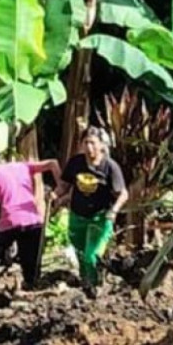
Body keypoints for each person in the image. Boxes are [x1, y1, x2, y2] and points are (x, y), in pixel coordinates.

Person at [0, 153, 62, 303]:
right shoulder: (22, 166)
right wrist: (60, 189)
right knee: (30, 269)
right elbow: (53, 162)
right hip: (34, 221)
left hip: (10, 222)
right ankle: (31, 295)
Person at [54, 126, 128, 297]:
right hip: (77, 215)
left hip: (99, 217)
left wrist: (114, 210)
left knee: (91, 254)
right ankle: (85, 281)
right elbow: (64, 185)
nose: (89, 147)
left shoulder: (110, 167)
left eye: (93, 143)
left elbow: (123, 194)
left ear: (102, 145)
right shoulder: (76, 163)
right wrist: (55, 195)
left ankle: (94, 287)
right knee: (79, 250)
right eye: (86, 143)